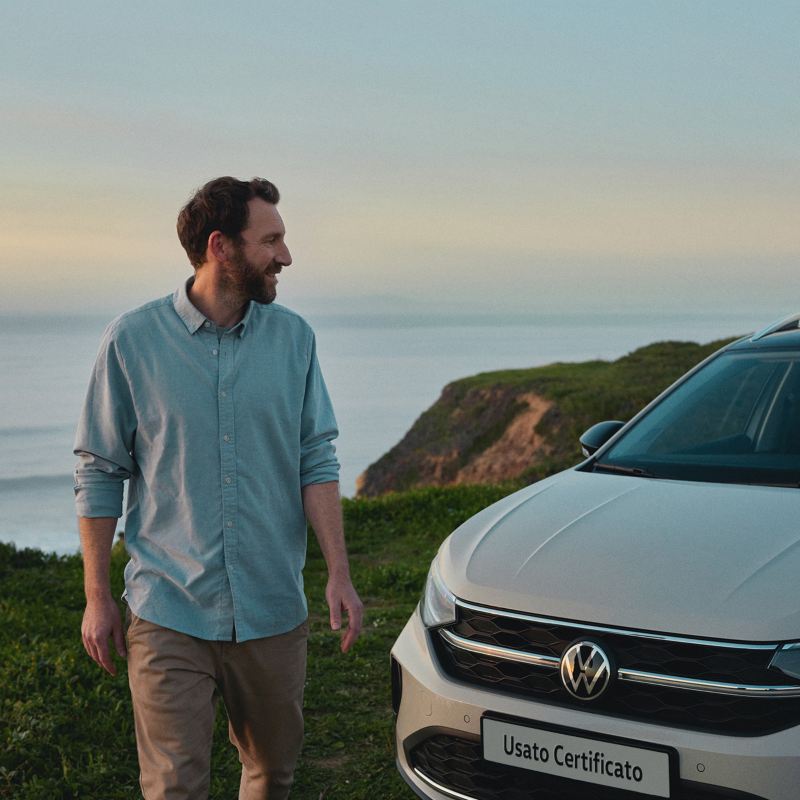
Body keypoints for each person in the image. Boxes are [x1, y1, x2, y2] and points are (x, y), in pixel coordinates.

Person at [74, 176, 363, 800]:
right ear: (221, 246)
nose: (285, 256)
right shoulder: (131, 342)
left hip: (271, 606)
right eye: (272, 240)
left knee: (271, 773)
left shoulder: (295, 340)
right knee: (175, 786)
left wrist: (338, 572)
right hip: (169, 605)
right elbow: (100, 471)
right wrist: (98, 596)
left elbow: (316, 457)